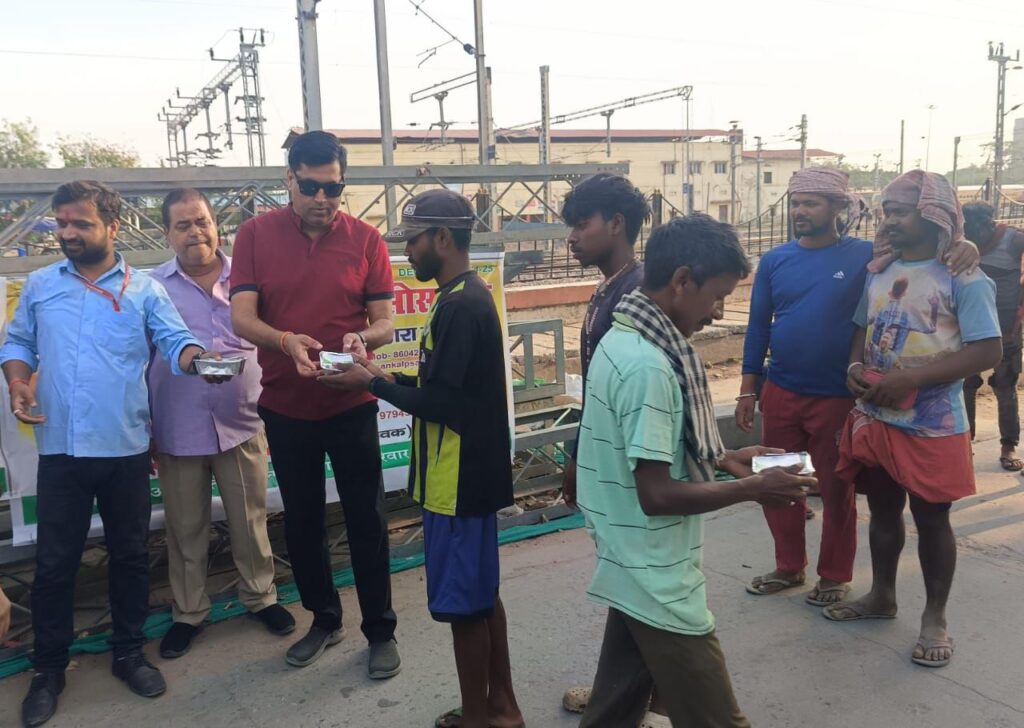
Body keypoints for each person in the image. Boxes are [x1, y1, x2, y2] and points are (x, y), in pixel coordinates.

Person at [576, 214, 817, 727]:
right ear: (682, 280)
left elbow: (644, 445)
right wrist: (753, 488)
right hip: (657, 573)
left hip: (628, 555)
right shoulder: (650, 367)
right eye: (717, 296)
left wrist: (725, 458)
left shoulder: (624, 336)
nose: (718, 311)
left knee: (616, 706)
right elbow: (657, 494)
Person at [0, 181, 221, 728]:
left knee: (129, 557)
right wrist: (18, 381)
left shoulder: (143, 289)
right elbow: (18, 343)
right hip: (61, 451)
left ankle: (128, 653)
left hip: (124, 449)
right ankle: (49, 668)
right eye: (61, 223)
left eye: (80, 223)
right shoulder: (41, 285)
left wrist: (200, 361)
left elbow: (176, 342)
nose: (67, 233)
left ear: (113, 227)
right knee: (55, 565)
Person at [317, 189, 523, 728]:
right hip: (463, 480)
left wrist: (368, 384)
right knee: (482, 597)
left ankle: (478, 718)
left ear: (443, 238)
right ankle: (501, 707)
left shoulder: (460, 305)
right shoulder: (461, 296)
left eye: (413, 239)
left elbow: (441, 404)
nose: (407, 252)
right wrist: (382, 374)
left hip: (457, 484)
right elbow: (443, 386)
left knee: (465, 608)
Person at [739, 168, 981, 607]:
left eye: (811, 203)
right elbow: (758, 327)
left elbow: (932, 250)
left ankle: (834, 576)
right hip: (782, 394)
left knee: (837, 491)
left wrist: (967, 245)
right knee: (778, 481)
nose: (799, 211)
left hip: (837, 398)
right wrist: (748, 387)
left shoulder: (869, 258)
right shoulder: (775, 260)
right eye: (795, 202)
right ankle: (788, 566)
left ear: (839, 207)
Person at [229, 130, 400, 675]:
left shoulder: (366, 239)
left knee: (367, 519)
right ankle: (324, 619)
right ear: (289, 180)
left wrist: (362, 340)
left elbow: (385, 321)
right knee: (302, 521)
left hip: (350, 402)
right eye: (310, 187)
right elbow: (242, 317)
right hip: (286, 406)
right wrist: (285, 341)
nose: (322, 199)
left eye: (333, 188)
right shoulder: (255, 235)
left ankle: (380, 630)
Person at [825, 170, 1002, 670]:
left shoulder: (965, 277)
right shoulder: (879, 270)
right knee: (882, 514)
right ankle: (882, 595)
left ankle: (935, 618)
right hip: (878, 416)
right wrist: (854, 367)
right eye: (887, 211)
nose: (890, 220)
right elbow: (861, 328)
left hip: (932, 425)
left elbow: (988, 350)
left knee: (932, 520)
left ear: (934, 214)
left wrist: (913, 379)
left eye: (901, 211)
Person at [149, 188, 295, 659]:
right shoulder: (151, 289)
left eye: (202, 222)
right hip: (178, 426)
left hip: (243, 421)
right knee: (185, 528)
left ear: (217, 226)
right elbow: (139, 357)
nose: (195, 232)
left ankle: (261, 597)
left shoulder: (247, 280)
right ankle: (189, 613)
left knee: (250, 519)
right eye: (183, 225)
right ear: (167, 234)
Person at [961, 201, 1024, 470]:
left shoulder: (1013, 240)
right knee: (965, 385)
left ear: (990, 223)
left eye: (978, 228)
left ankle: (1008, 446)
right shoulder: (960, 241)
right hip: (966, 331)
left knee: (1005, 386)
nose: (973, 234)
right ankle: (964, 445)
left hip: (1006, 329)